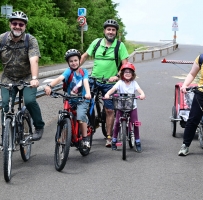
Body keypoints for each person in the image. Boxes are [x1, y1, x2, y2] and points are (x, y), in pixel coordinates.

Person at [0, 11, 45, 145]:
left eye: (21, 24)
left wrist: (35, 78)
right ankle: (6, 136)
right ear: (10, 24)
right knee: (5, 106)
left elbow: (34, 60)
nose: (17, 26)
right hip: (8, 79)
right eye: (15, 23)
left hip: (26, 78)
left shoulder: (30, 40)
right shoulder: (1, 39)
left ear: (25, 26)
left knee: (30, 101)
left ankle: (39, 126)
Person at [80, 19, 129, 147]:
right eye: (108, 29)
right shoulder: (96, 43)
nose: (111, 32)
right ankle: (87, 131)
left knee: (109, 110)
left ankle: (109, 137)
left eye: (113, 30)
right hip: (94, 79)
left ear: (116, 32)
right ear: (104, 31)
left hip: (110, 82)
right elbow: (85, 55)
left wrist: (117, 76)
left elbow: (125, 65)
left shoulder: (120, 46)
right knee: (86, 105)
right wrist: (75, 69)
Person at [44, 49, 91, 148]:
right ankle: (65, 135)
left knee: (81, 116)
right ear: (68, 63)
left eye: (75, 60)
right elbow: (59, 79)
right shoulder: (68, 71)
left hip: (82, 99)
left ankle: (85, 138)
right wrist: (49, 86)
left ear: (79, 60)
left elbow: (86, 82)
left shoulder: (84, 72)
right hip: (70, 98)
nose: (73, 63)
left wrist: (88, 93)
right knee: (65, 115)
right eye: (71, 61)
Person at [104, 62, 145, 152]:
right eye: (125, 72)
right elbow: (113, 89)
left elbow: (140, 90)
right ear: (122, 74)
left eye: (129, 72)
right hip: (121, 106)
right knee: (117, 122)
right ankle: (114, 140)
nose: (127, 74)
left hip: (132, 106)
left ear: (133, 74)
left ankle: (137, 141)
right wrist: (107, 94)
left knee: (135, 123)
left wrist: (142, 94)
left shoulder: (134, 83)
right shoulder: (120, 83)